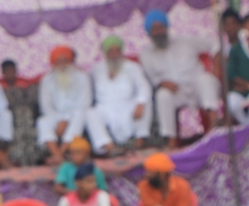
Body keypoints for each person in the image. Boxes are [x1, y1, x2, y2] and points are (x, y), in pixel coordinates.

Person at [138, 9, 221, 146]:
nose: (158, 32)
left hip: (198, 87)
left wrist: (216, 69)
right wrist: (162, 83)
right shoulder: (146, 54)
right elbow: (152, 79)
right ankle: (171, 140)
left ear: (166, 27)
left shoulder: (185, 40)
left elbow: (215, 44)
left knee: (204, 79)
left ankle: (214, 124)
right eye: (154, 29)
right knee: (162, 95)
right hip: (176, 92)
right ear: (149, 33)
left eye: (160, 27)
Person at [37, 46, 107, 163]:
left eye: (65, 60)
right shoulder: (47, 80)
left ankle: (60, 154)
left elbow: (85, 103)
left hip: (76, 115)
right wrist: (60, 120)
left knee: (80, 115)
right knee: (42, 121)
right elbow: (46, 106)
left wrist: (66, 120)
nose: (62, 64)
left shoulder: (82, 77)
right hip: (55, 117)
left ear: (70, 61)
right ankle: (58, 155)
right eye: (58, 61)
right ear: (53, 64)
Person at [90, 35, 153, 149]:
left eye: (117, 50)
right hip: (106, 109)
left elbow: (144, 87)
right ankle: (108, 147)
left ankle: (140, 140)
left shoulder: (133, 67)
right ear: (105, 53)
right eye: (110, 51)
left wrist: (140, 104)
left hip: (128, 106)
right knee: (90, 113)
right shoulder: (96, 69)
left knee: (145, 102)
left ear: (121, 51)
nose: (114, 54)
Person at [0, 60, 41, 166]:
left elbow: (37, 79)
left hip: (26, 118)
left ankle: (32, 159)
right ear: (3, 72)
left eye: (12, 70)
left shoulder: (23, 83)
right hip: (9, 119)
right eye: (8, 71)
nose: (10, 73)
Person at [225, 15, 249, 125]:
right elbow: (232, 75)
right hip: (241, 92)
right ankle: (245, 127)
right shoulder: (236, 49)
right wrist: (247, 86)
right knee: (231, 101)